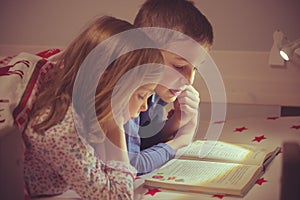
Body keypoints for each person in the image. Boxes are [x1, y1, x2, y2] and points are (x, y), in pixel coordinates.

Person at [21, 16, 164, 199]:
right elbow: (118, 197)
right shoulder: (61, 129)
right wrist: (116, 124)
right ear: (105, 81)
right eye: (141, 95)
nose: (144, 106)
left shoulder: (79, 109)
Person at [124, 0, 214, 175]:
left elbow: (141, 143)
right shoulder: (126, 91)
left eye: (195, 68)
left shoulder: (156, 92)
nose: (189, 80)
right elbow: (130, 165)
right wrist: (179, 141)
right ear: (144, 52)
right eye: (179, 67)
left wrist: (176, 122)